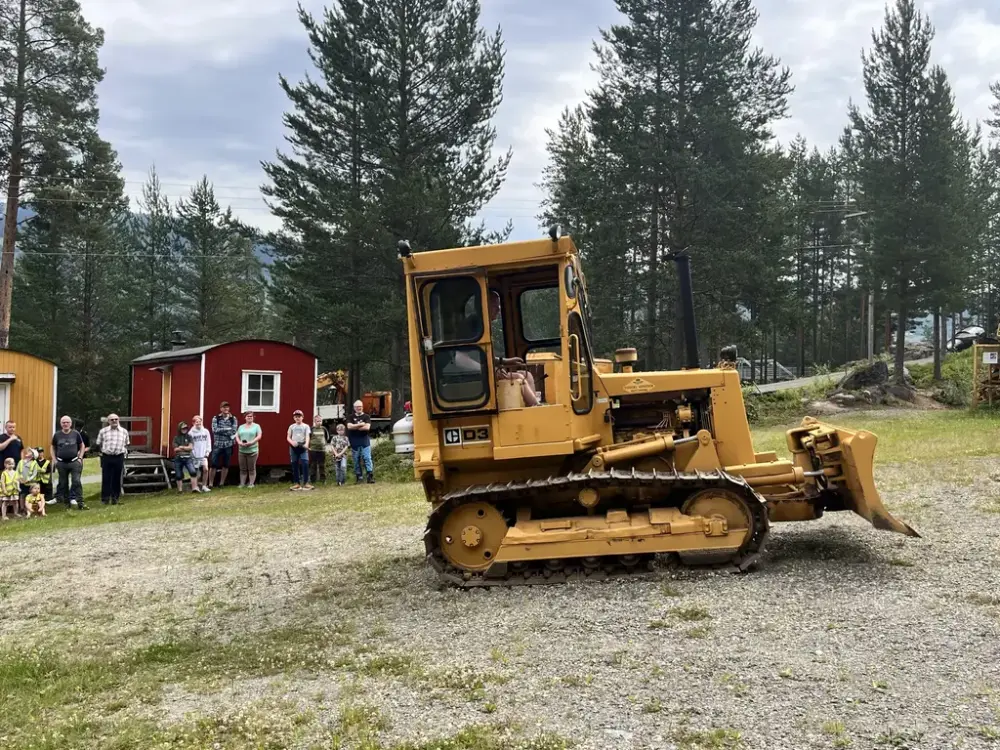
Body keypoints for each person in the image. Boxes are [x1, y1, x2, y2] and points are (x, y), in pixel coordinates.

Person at [488, 291, 539, 406]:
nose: (499, 310)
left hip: (488, 371)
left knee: (527, 375)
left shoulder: (486, 326)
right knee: (519, 377)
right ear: (486, 306)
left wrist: (505, 361)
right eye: (495, 306)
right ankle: (536, 406)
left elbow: (486, 357)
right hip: (482, 377)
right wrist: (491, 370)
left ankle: (532, 408)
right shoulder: (477, 326)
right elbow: (475, 358)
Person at [51, 416, 86, 510]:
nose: (65, 424)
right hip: (61, 463)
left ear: (70, 424)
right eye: (63, 422)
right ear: (61, 424)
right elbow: (52, 447)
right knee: (63, 483)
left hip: (74, 462)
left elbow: (82, 445)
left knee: (76, 481)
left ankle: (81, 502)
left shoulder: (76, 434)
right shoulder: (57, 435)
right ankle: (67, 503)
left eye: (67, 422)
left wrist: (80, 457)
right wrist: (54, 460)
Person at [95, 413, 129, 505]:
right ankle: (105, 498)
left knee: (117, 478)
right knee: (106, 477)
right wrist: (103, 452)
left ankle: (115, 498)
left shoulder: (124, 431)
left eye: (116, 419)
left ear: (118, 420)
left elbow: (126, 443)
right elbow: (99, 443)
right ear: (108, 421)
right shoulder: (103, 431)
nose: (114, 421)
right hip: (107, 456)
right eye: (112, 419)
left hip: (119, 456)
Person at [209, 401, 238, 488]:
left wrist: (222, 430)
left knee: (226, 465)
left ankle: (222, 483)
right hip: (217, 444)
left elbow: (233, 431)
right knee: (213, 464)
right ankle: (210, 484)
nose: (226, 409)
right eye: (224, 407)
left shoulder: (233, 419)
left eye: (227, 407)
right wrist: (227, 429)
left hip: (228, 445)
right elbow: (215, 430)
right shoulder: (216, 418)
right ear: (221, 409)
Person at [346, 400, 374, 484]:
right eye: (357, 407)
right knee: (356, 459)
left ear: (362, 407)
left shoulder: (366, 417)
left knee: (367, 458)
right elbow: (349, 427)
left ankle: (370, 476)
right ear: (354, 408)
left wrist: (355, 427)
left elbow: (367, 428)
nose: (359, 408)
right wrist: (361, 424)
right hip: (354, 441)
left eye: (360, 406)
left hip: (365, 441)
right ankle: (359, 477)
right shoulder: (350, 417)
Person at [286, 409, 312, 490]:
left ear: (302, 417)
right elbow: (288, 437)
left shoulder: (306, 426)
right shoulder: (291, 426)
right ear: (294, 418)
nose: (297, 418)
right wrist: (291, 442)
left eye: (299, 416)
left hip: (303, 446)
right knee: (294, 464)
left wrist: (306, 444)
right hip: (293, 447)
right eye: (296, 417)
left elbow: (307, 436)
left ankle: (306, 483)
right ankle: (297, 483)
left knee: (305, 463)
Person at [172, 421, 201, 493]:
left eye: (185, 428)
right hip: (178, 458)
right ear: (179, 429)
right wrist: (186, 448)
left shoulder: (189, 437)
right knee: (178, 475)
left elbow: (190, 448)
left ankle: (194, 488)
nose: (184, 429)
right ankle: (180, 490)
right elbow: (175, 449)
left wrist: (181, 447)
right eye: (183, 428)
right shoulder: (176, 438)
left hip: (188, 457)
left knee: (193, 472)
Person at [235, 412, 262, 488]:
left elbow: (259, 436)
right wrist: (239, 442)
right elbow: (237, 436)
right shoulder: (241, 427)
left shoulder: (257, 426)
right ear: (245, 417)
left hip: (252, 450)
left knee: (251, 468)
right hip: (242, 450)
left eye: (251, 416)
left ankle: (251, 483)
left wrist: (251, 442)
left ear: (253, 417)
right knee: (242, 468)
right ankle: (242, 483)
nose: (249, 417)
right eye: (248, 416)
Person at [188, 415, 212, 493]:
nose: (198, 423)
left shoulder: (206, 431)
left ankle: (204, 486)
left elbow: (209, 442)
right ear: (193, 423)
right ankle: (195, 486)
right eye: (196, 422)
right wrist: (193, 454)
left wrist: (207, 452)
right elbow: (190, 445)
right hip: (195, 455)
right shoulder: (191, 433)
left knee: (205, 469)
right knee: (195, 471)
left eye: (200, 421)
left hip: (204, 454)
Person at [308, 414, 330, 485]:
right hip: (313, 450)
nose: (319, 422)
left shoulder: (324, 429)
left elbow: (327, 438)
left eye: (320, 421)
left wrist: (324, 444)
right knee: (313, 465)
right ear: (314, 421)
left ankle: (323, 480)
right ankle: (312, 480)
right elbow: (309, 437)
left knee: (322, 465)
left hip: (322, 450)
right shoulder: (311, 429)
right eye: (317, 421)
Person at [15, 447, 38, 515]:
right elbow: (17, 471)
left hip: (30, 483)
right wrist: (18, 479)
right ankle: (22, 508)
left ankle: (29, 508)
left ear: (32, 455)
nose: (27, 452)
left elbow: (34, 473)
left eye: (30, 452)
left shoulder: (34, 463)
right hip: (21, 482)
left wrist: (28, 479)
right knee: (22, 495)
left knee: (29, 496)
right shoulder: (21, 462)